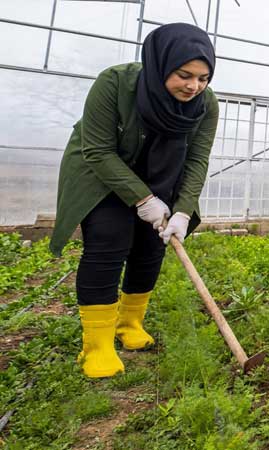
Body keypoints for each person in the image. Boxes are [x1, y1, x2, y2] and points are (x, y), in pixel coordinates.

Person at [50, 23, 219, 378]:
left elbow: (197, 159)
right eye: (184, 75)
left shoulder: (206, 105)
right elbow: (97, 149)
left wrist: (183, 211)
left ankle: (129, 324)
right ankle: (96, 346)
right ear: (160, 65)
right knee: (108, 241)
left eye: (203, 78)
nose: (194, 86)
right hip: (102, 174)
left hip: (163, 176)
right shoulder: (114, 84)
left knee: (151, 247)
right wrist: (143, 199)